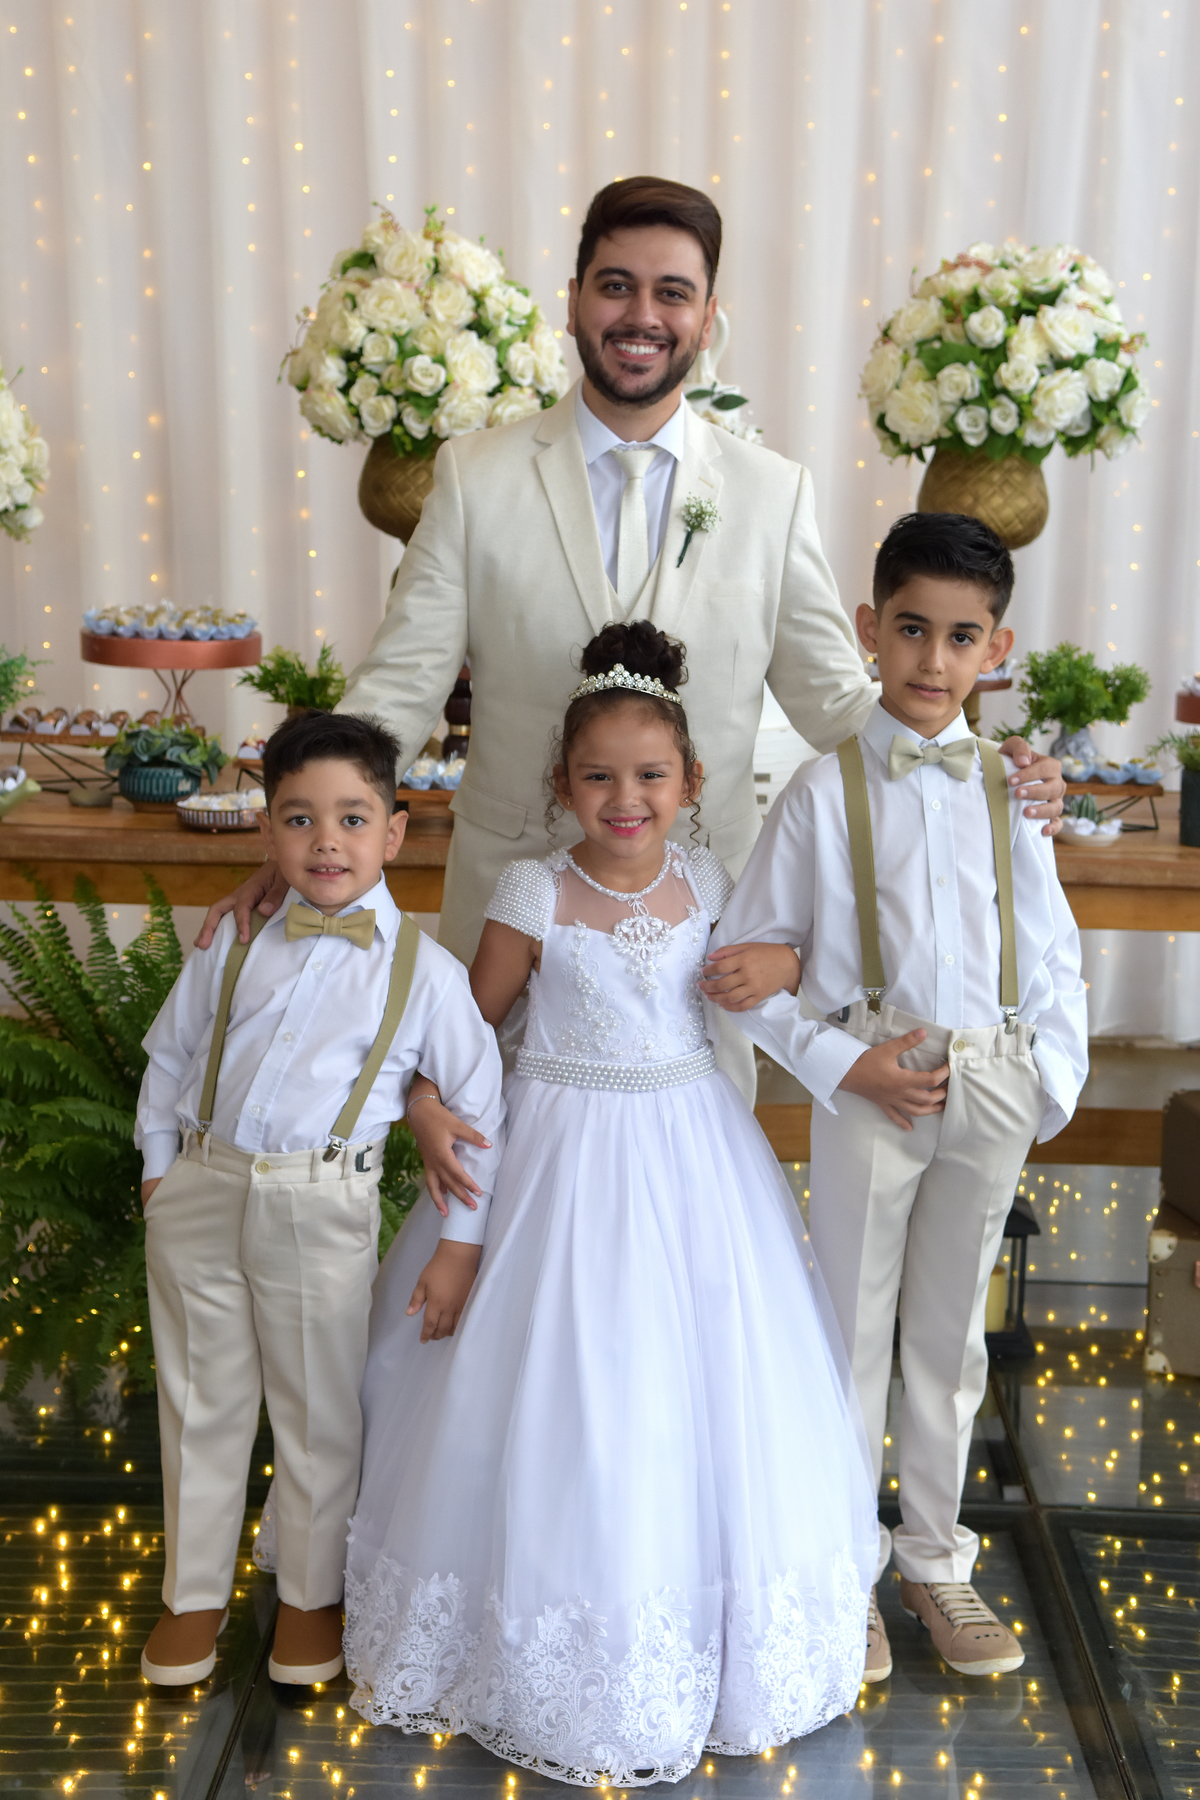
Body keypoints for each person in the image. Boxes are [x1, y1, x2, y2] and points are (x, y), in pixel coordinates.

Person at [196, 175, 1065, 1102]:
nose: (640, 314)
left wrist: (975, 770)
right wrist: (302, 835)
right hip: (510, 916)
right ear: (572, 300)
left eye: (671, 292)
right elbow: (397, 692)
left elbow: (841, 706)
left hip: (696, 937)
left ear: (707, 317)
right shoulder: (475, 477)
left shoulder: (772, 495)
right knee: (489, 1202)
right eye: (615, 285)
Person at [342, 622, 879, 1785]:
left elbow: (760, 978)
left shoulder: (711, 880)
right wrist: (427, 1104)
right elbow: (467, 1026)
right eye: (599, 776)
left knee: (698, 1390)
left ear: (689, 783)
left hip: (691, 1154)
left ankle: (714, 1639)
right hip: (556, 1156)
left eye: (650, 776)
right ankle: (527, 1633)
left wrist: (781, 968)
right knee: (560, 1384)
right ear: (560, 784)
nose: (624, 798)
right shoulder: (533, 890)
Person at [706, 514, 1088, 1682]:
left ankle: (936, 1561)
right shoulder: (822, 795)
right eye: (911, 630)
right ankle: (841, 1567)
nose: (931, 660)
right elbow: (740, 968)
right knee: (849, 1335)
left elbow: (1051, 946)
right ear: (871, 630)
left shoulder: (1015, 793)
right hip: (871, 1089)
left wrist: (1043, 1085)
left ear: (997, 648)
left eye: (960, 637)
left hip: (991, 1088)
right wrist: (842, 1064)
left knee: (949, 1340)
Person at [134, 711, 503, 1690]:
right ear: (267, 834)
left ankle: (309, 1595)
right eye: (298, 819)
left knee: (316, 1409)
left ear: (394, 830)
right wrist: (159, 1168)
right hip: (203, 1190)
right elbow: (170, 1058)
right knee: (200, 1397)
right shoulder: (234, 938)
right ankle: (193, 1596)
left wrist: (461, 1238)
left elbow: (478, 1105)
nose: (325, 841)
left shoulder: (426, 974)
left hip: (319, 1202)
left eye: (350, 818)